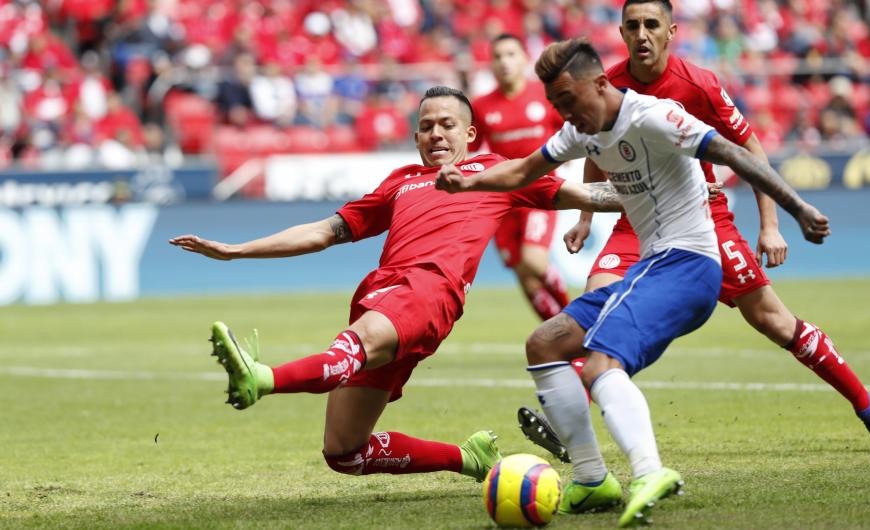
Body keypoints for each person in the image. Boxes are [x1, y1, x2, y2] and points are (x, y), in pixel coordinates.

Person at [436, 38, 830, 527]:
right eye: (556, 105)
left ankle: (649, 471)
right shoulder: (581, 128)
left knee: (601, 361)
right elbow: (523, 169)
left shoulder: (655, 116)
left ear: (600, 83)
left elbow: (733, 152)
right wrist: (468, 182)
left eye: (569, 101)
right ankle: (591, 478)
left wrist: (798, 209)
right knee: (544, 343)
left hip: (689, 265)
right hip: (651, 266)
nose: (565, 114)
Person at [168, 86, 625, 485]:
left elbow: (586, 195)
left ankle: (262, 378)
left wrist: (659, 191)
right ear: (416, 137)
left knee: (355, 345)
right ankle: (470, 458)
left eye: (447, 124)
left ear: (469, 134)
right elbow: (326, 231)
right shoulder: (400, 182)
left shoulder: (498, 172)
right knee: (345, 452)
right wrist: (236, 250)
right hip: (381, 294)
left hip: (430, 291)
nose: (436, 134)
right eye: (426, 126)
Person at [518, 0, 870, 461]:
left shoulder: (698, 84)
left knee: (774, 321)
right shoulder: (604, 83)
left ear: (671, 31)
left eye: (651, 25)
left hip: (702, 220)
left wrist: (770, 225)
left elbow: (748, 148)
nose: (642, 34)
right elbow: (593, 145)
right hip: (634, 219)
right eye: (633, 26)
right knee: (597, 308)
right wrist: (585, 218)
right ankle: (574, 429)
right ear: (621, 33)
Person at [471, 33, 570, 320]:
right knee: (524, 275)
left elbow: (575, 129)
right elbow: (471, 148)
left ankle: (577, 320)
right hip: (502, 200)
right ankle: (559, 332)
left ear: (525, 59)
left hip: (539, 193)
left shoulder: (545, 95)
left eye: (511, 54)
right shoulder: (482, 106)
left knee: (534, 261)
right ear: (490, 63)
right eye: (498, 56)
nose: (504, 62)